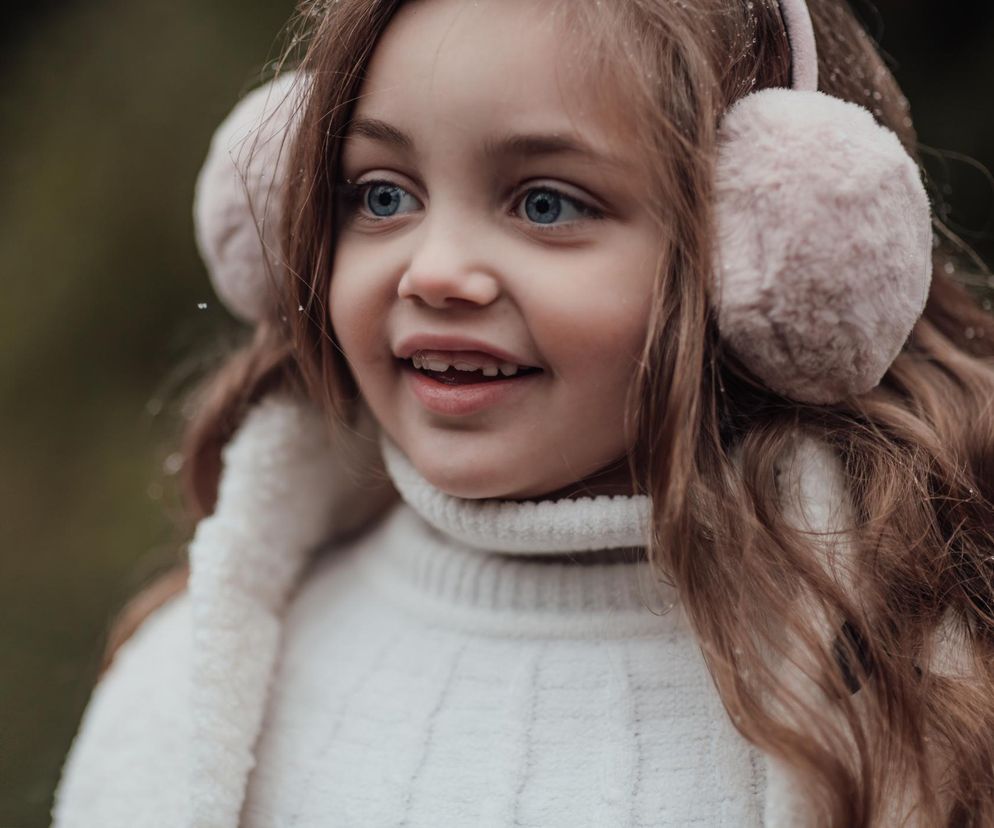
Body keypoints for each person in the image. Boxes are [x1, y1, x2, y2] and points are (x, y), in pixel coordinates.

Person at [51, 0, 994, 825]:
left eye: (546, 203)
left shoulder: (909, 701)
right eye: (382, 195)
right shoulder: (199, 687)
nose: (435, 271)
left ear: (772, 252)